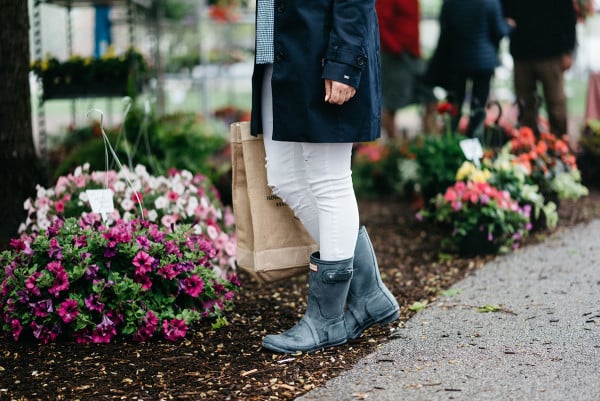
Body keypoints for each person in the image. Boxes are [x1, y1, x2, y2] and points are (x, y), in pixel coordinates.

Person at [250, 0, 399, 353]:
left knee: (328, 179)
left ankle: (328, 319)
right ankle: (366, 292)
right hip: (282, 55)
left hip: (323, 54)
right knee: (284, 177)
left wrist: (345, 62)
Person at [429, 0, 513, 138]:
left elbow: (444, 24)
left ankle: (450, 139)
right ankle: (474, 140)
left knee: (454, 104)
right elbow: (499, 31)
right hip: (483, 62)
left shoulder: (451, 2)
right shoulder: (490, 2)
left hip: (457, 59)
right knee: (478, 106)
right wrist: (509, 25)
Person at [501, 0, 577, 136]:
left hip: (551, 54)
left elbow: (568, 16)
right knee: (525, 105)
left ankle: (559, 146)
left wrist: (568, 50)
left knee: (556, 104)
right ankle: (527, 144)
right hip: (522, 53)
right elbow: (504, 10)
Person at [376, 0, 439, 138]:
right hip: (395, 57)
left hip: (414, 55)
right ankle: (396, 150)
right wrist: (396, 49)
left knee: (431, 100)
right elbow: (379, 24)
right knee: (391, 105)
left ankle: (430, 145)